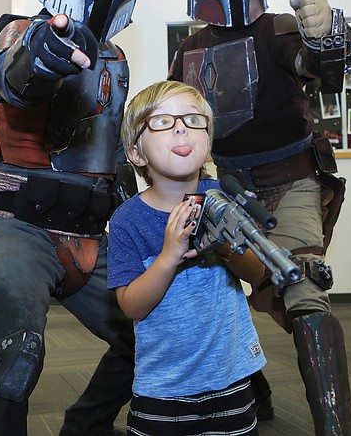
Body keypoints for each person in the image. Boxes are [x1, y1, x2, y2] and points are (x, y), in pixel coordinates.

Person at [0, 0, 143, 436]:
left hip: (89, 231)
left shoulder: (115, 59)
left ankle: (84, 427)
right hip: (14, 223)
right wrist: (45, 53)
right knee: (12, 354)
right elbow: (15, 77)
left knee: (153, 334)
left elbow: (105, 149)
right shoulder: (19, 33)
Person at [169, 0, 351, 435]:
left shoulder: (277, 29)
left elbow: (315, 66)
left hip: (289, 183)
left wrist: (325, 38)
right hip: (222, 190)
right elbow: (175, 113)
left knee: (304, 290)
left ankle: (335, 428)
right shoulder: (190, 47)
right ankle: (251, 396)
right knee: (205, 293)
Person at [108, 80, 268, 435]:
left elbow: (257, 274)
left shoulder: (224, 197)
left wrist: (224, 245)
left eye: (194, 120)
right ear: (136, 153)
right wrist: (168, 256)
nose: (181, 127)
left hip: (231, 377)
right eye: (163, 122)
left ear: (208, 142)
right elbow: (132, 306)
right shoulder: (128, 220)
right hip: (162, 387)